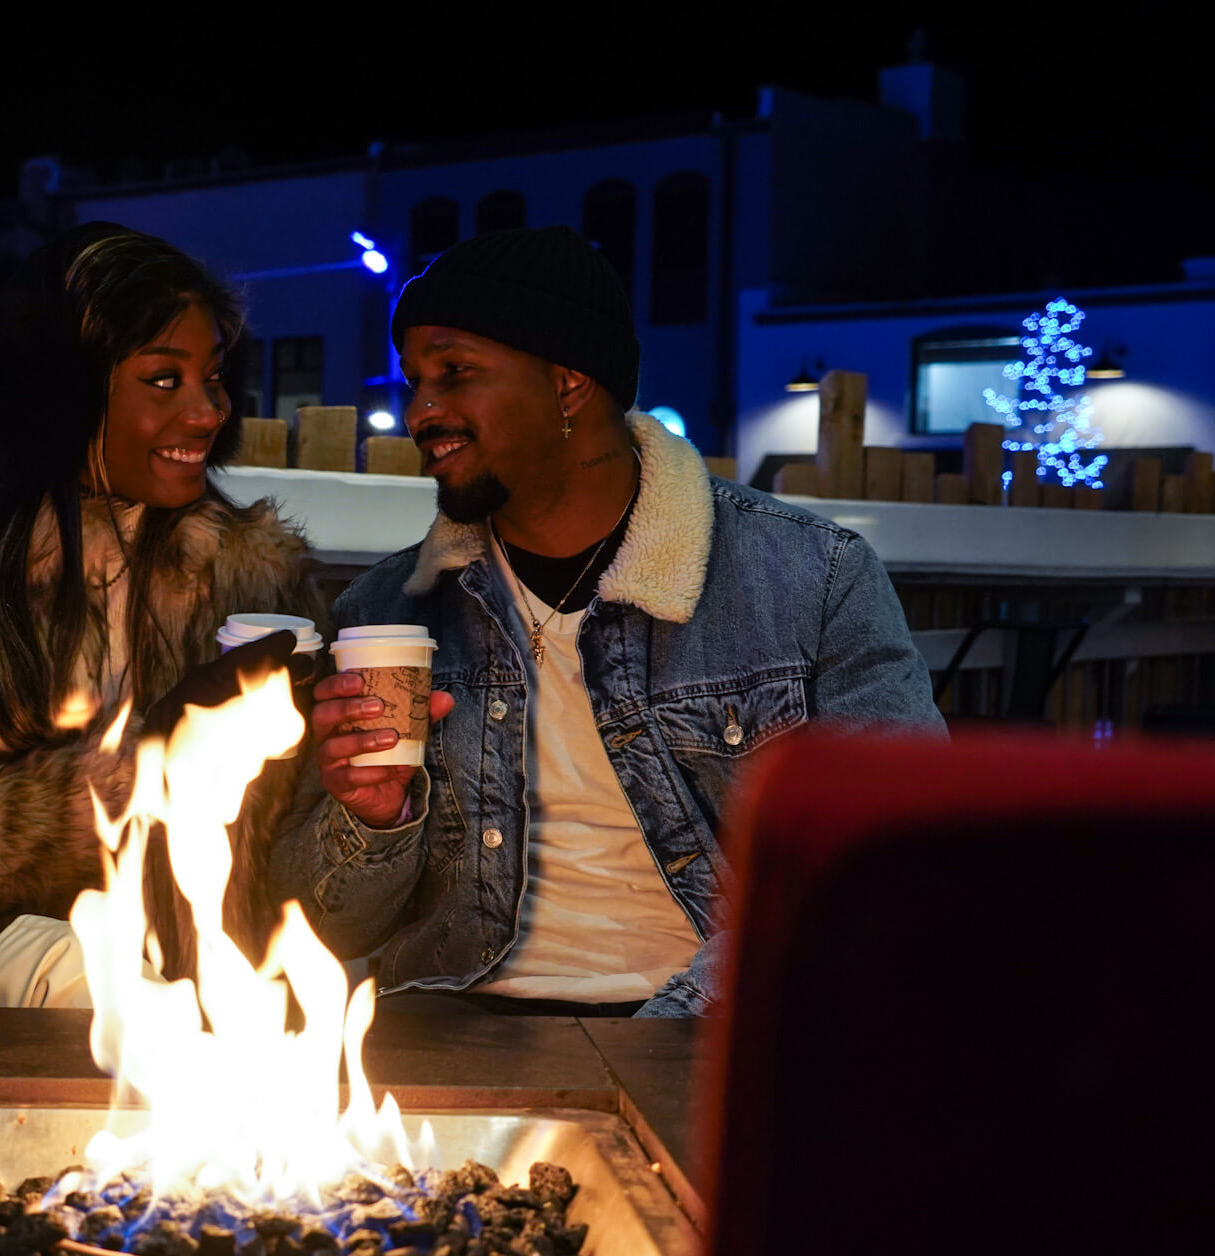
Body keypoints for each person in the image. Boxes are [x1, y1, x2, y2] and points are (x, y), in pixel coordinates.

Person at [271, 226, 945, 1019]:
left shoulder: (807, 580)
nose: (421, 410)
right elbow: (318, 921)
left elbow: (901, 860)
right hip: (449, 1020)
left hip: (711, 1021)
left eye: (454, 373)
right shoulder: (386, 612)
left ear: (568, 382)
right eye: (415, 381)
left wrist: (675, 1027)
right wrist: (373, 817)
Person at [0, 223, 317, 1004]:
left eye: (213, 379)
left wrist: (360, 775)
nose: (207, 412)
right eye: (164, 380)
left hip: (200, 979)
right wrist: (148, 763)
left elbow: (301, 847)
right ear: (63, 393)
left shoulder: (252, 573)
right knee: (99, 988)